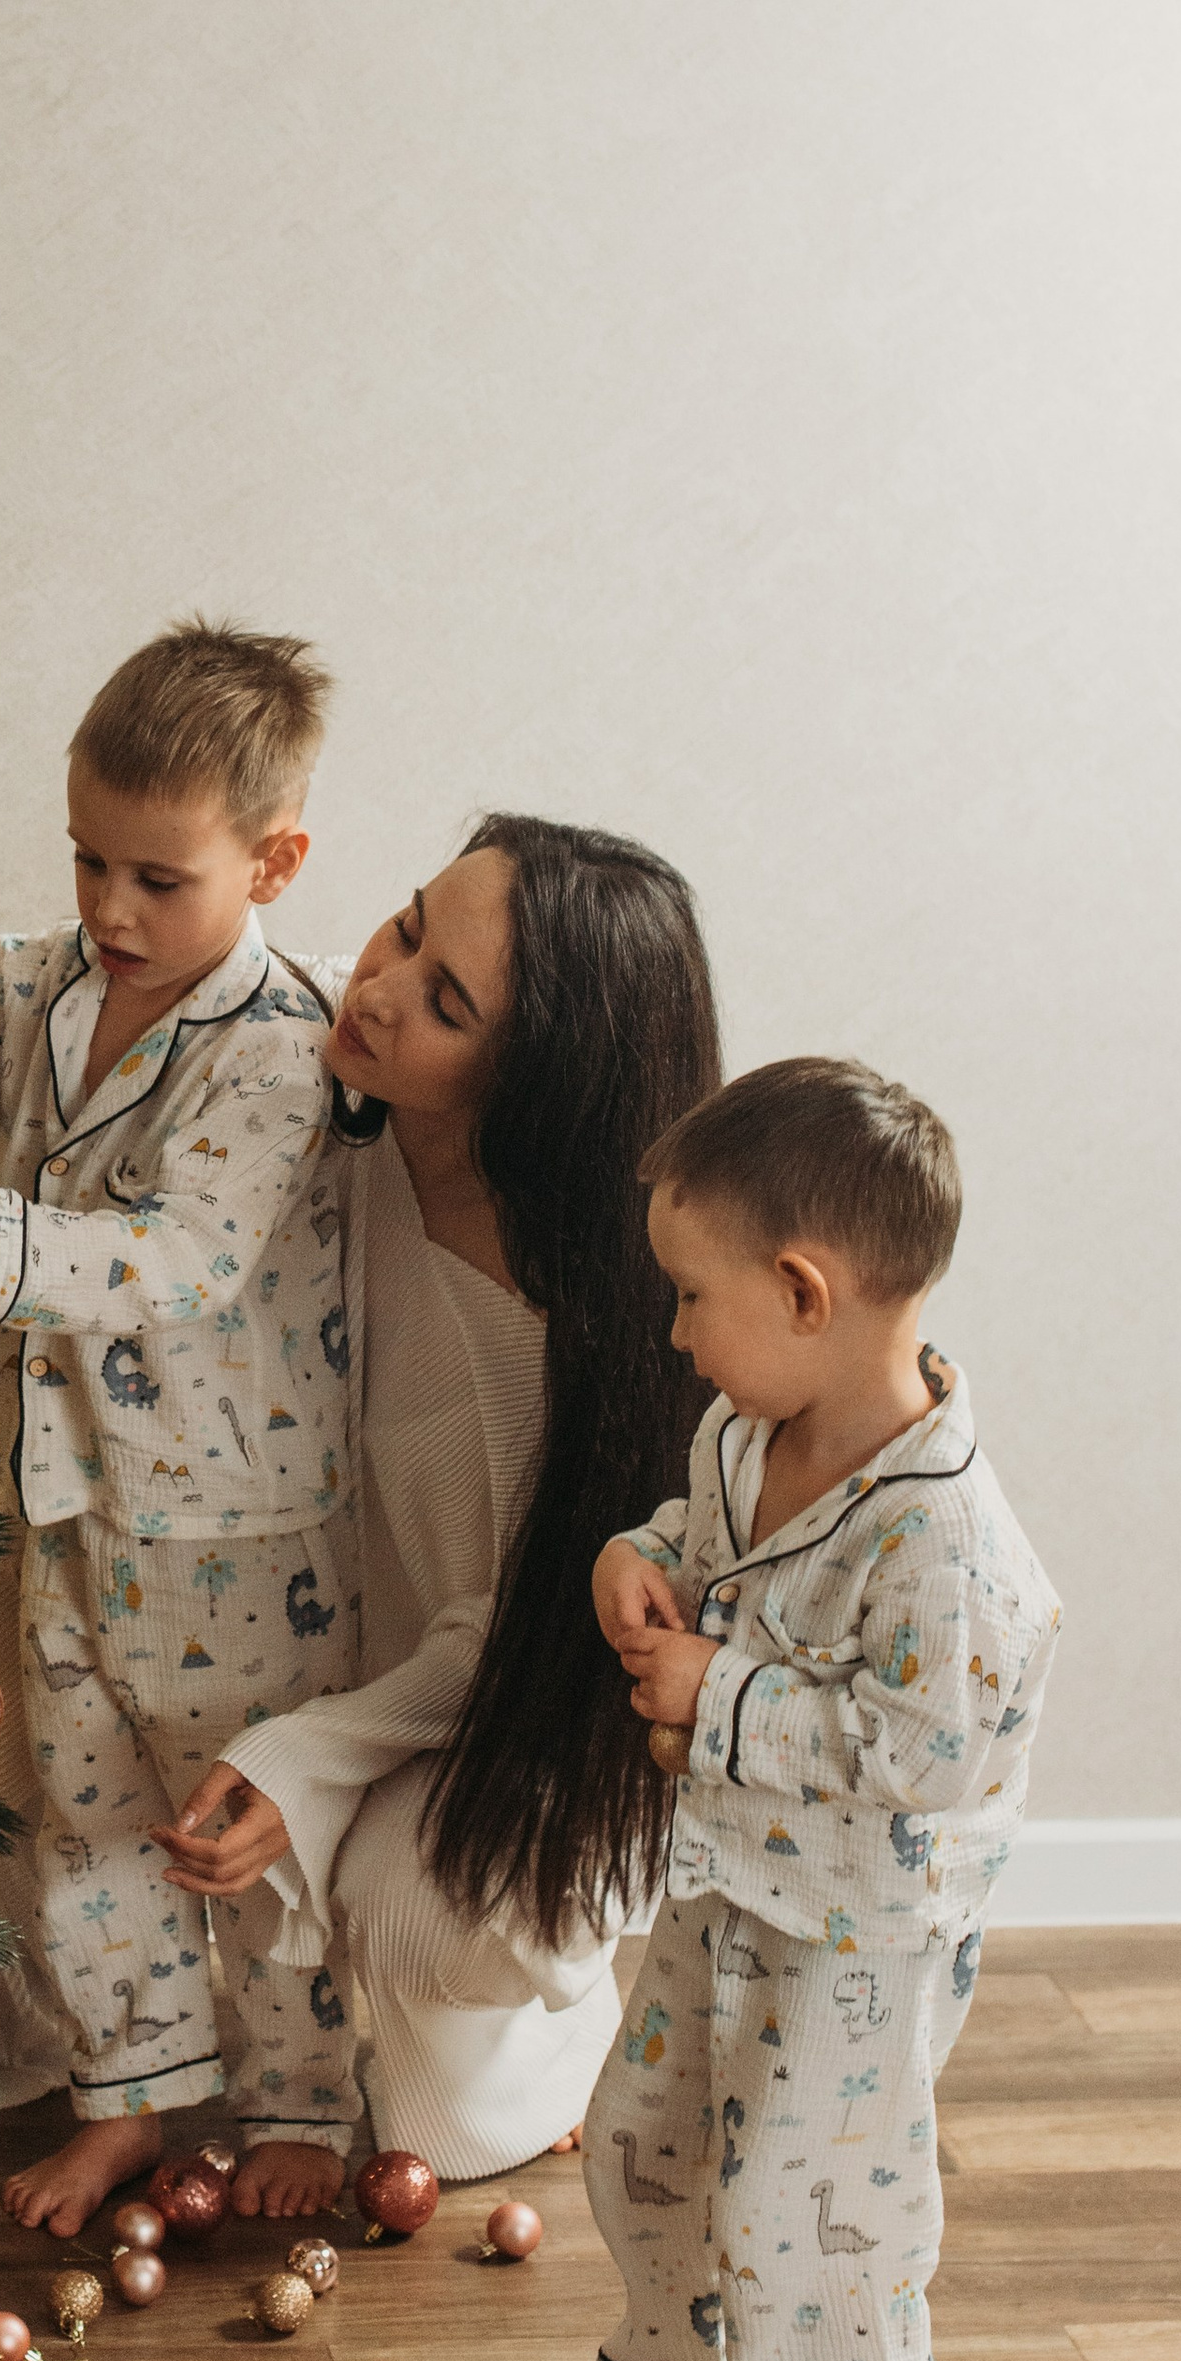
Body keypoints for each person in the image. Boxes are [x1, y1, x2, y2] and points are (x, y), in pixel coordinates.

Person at [0, 619, 362, 2233]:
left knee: (237, 1836)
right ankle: (135, 2095)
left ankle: (303, 2098)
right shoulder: (53, 980)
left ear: (275, 862)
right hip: (66, 1508)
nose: (111, 907)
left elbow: (180, 1264)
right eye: (87, 860)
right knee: (85, 1822)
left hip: (236, 1537)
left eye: (158, 880)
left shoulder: (277, 1050)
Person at [541, 1059, 1059, 2361]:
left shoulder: (947, 1539)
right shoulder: (738, 1439)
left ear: (803, 1292)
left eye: (695, 1299)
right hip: (723, 1885)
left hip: (861, 1937)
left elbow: (923, 1754)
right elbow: (700, 1556)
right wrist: (633, 1563)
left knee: (812, 2216)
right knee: (645, 2137)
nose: (680, 1332)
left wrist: (720, 1695)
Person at [153, 818, 723, 2198]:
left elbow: (512, 1629)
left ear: (540, 1085)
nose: (381, 982)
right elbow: (102, 971)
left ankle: (543, 2028)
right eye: (408, 925)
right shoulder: (311, 1100)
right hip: (299, 1631)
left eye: (448, 1000)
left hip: (492, 1709)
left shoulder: (574, 1335)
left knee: (419, 2005)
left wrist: (315, 1760)